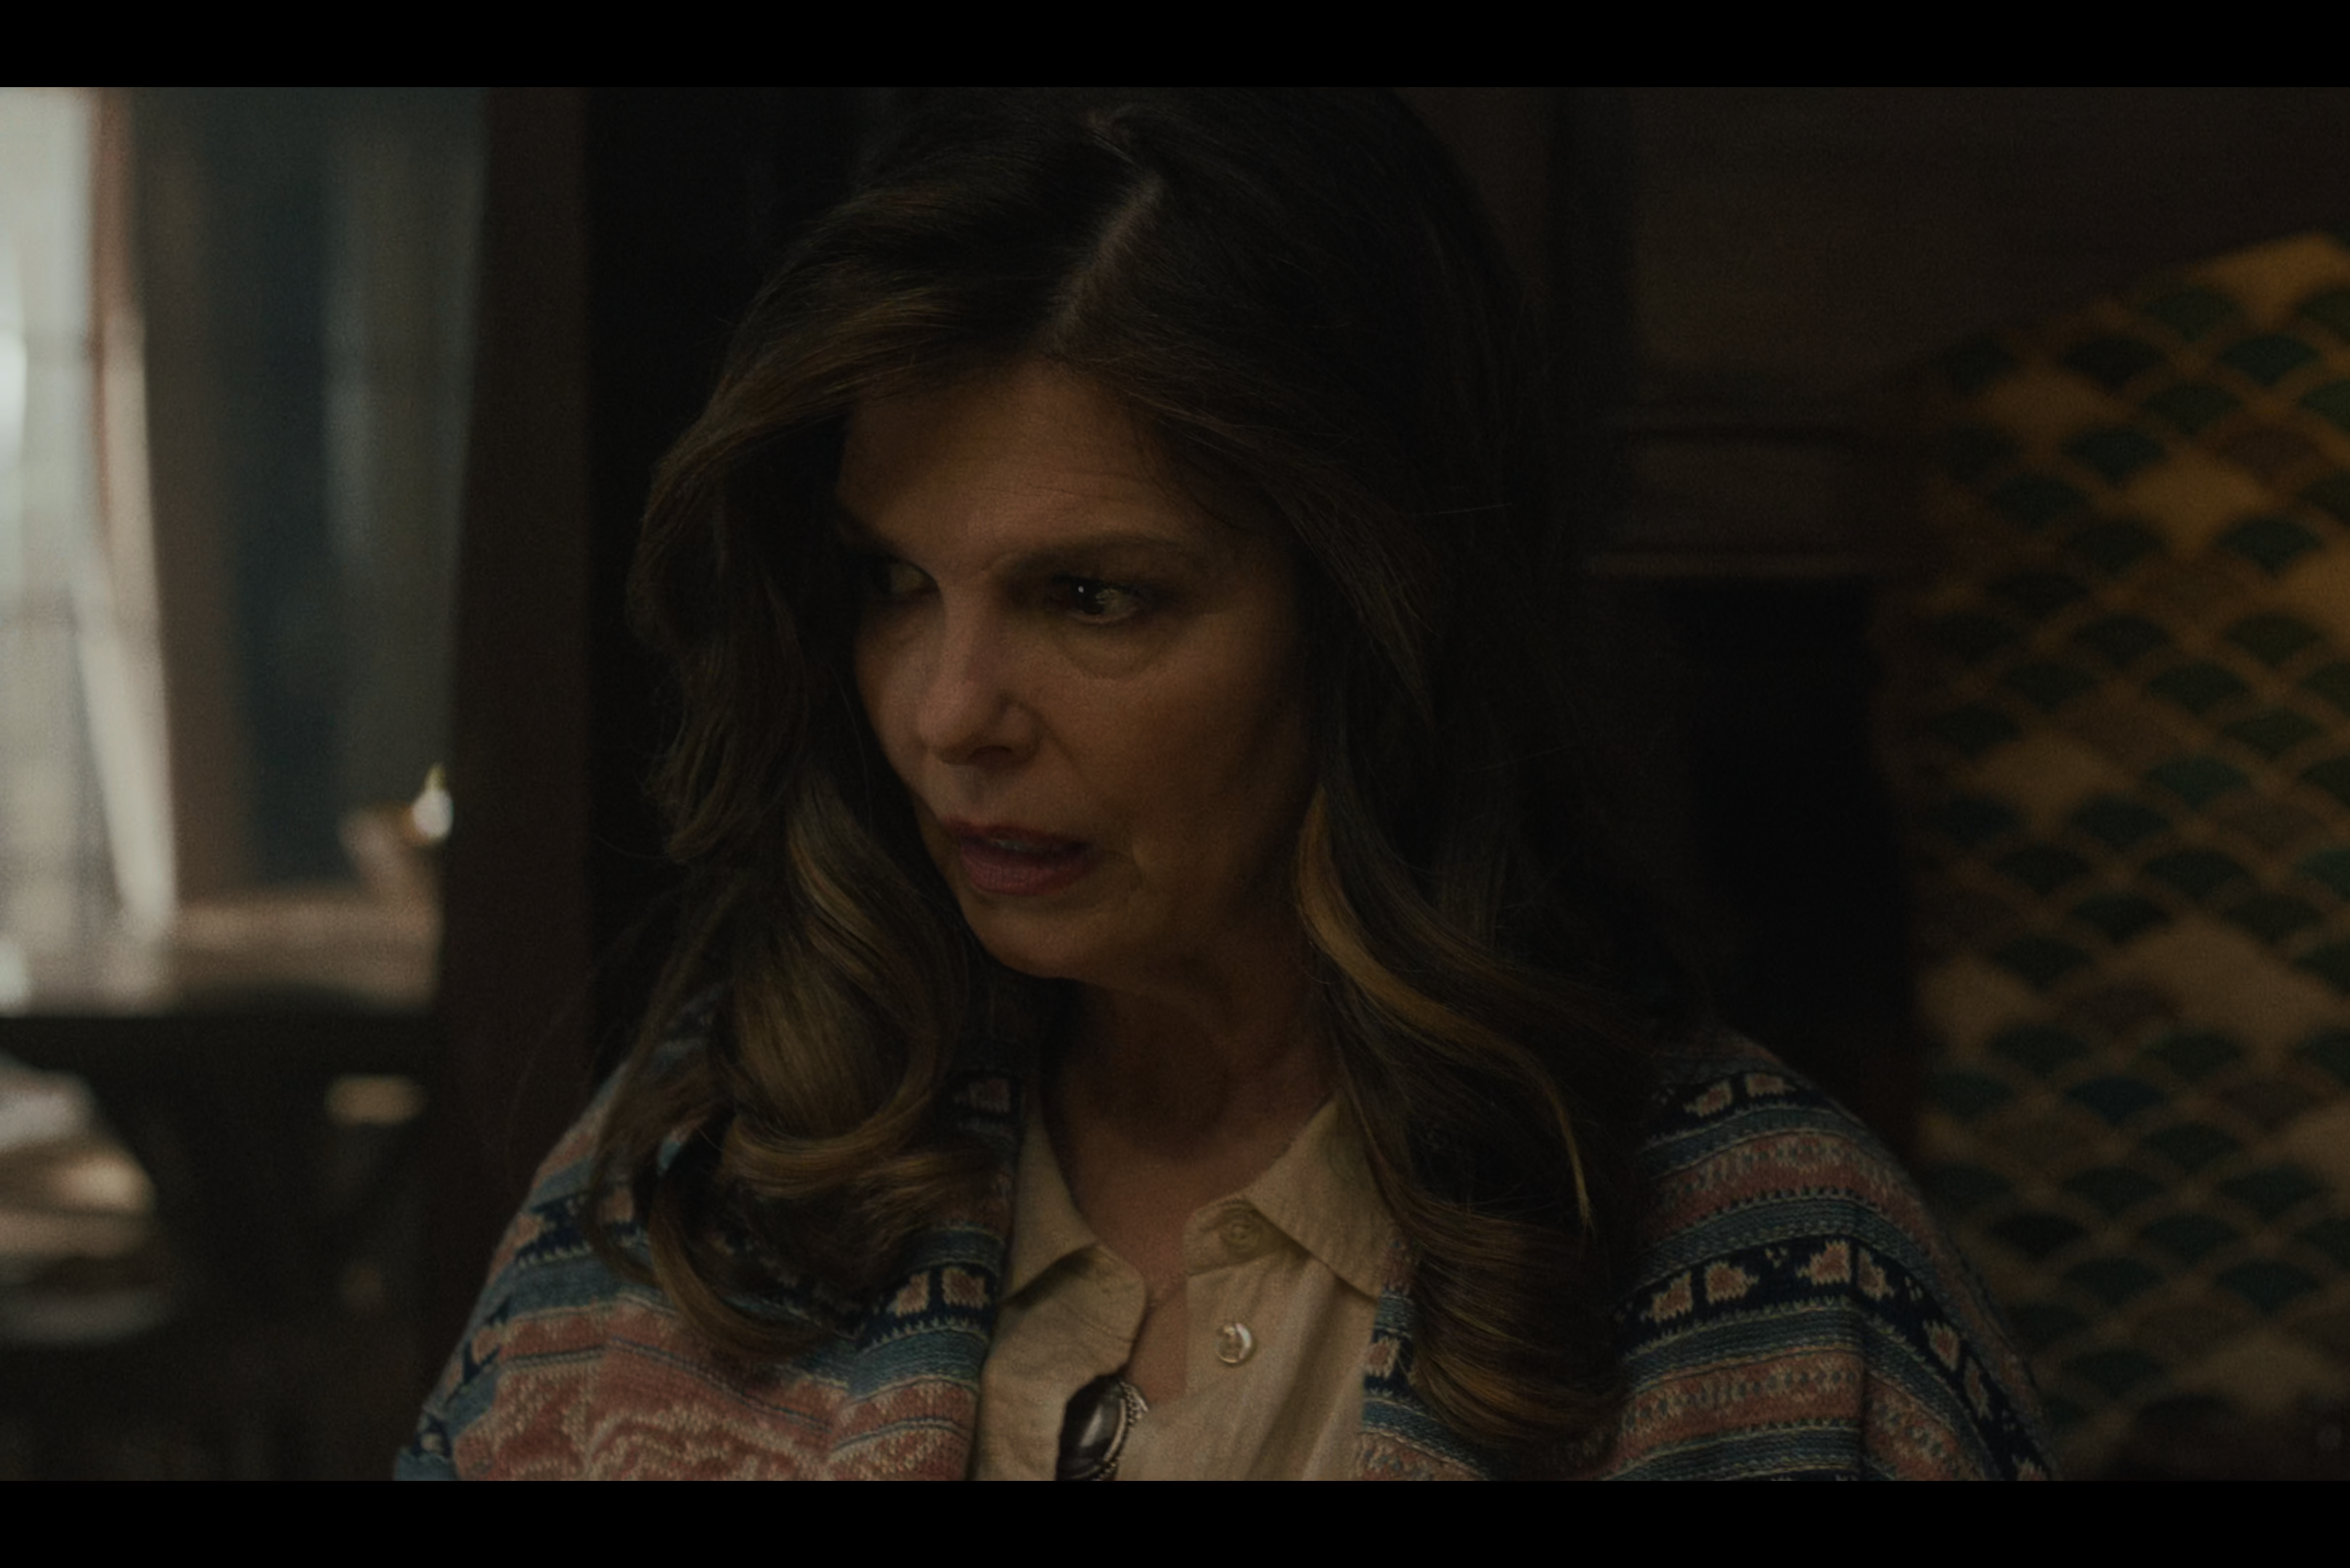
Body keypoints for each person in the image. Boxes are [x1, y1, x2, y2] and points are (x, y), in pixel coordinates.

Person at [400, 89, 2052, 1481]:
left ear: (1372, 619)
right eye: (893, 584)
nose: (948, 715)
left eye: (1091, 596)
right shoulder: (702, 1181)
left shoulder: (1776, 1271)